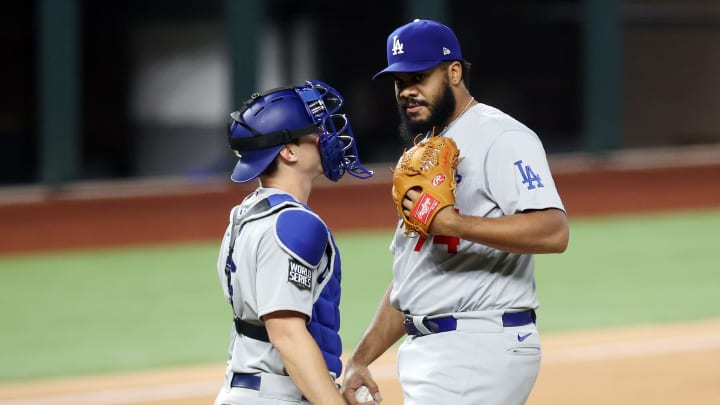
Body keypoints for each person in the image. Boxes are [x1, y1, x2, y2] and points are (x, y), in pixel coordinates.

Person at [341, 19, 569, 405]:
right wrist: (361, 359)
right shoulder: (425, 152)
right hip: (437, 350)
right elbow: (413, 278)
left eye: (419, 77)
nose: (407, 91)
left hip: (478, 344)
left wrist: (452, 223)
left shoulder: (501, 136)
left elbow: (553, 231)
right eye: (399, 82)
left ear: (454, 72)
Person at [214, 80, 373, 405]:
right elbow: (287, 334)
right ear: (287, 151)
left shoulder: (244, 214)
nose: (325, 137)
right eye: (315, 130)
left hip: (250, 389)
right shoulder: (294, 223)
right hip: (278, 395)